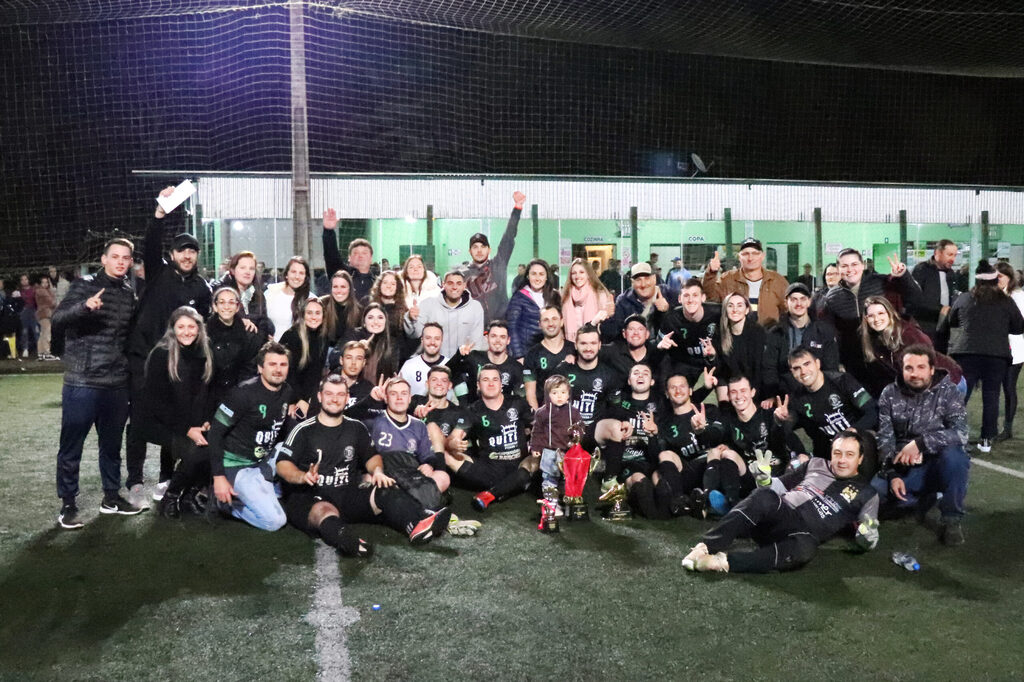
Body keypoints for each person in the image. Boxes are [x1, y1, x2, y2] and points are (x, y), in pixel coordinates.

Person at [276, 375, 451, 557]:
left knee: (386, 488)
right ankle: (345, 539)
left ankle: (416, 525)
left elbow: (372, 456)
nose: (335, 399)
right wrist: (301, 476)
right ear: (320, 397)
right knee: (325, 511)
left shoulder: (356, 428)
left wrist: (377, 471)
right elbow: (282, 464)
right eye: (329, 394)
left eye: (340, 394)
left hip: (346, 494)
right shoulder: (304, 430)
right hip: (310, 496)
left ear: (346, 398)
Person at [682, 430, 879, 573]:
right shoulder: (815, 463)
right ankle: (705, 546)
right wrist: (764, 479)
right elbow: (778, 487)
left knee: (806, 549)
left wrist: (866, 535)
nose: (842, 460)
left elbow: (869, 537)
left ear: (860, 459)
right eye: (837, 453)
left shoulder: (868, 493)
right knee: (764, 496)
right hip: (779, 514)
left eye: (849, 455)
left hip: (803, 534)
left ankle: (722, 562)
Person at [53, 237, 142, 529]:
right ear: (103, 259)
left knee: (112, 445)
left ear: (130, 262)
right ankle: (68, 505)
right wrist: (84, 307)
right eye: (115, 256)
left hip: (116, 382)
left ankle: (111, 497)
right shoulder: (84, 285)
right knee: (72, 445)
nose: (120, 262)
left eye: (125, 258)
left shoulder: (129, 293)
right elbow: (59, 318)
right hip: (83, 380)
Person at [871, 344, 969, 546]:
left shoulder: (949, 391)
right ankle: (925, 498)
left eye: (921, 367)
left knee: (956, 458)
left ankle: (951, 519)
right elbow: (885, 437)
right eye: (909, 368)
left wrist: (921, 444)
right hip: (904, 465)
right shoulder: (889, 393)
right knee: (875, 497)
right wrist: (892, 474)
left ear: (932, 369)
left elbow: (961, 432)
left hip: (937, 463)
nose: (915, 374)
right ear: (902, 369)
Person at [208, 342, 294, 531]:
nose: (278, 370)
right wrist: (219, 477)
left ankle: (265, 487)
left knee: (296, 445)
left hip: (263, 459)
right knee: (275, 522)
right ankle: (225, 504)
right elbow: (215, 433)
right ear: (260, 367)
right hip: (237, 466)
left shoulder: (287, 391)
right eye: (272, 364)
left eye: (283, 365)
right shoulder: (242, 394)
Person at [139, 307, 214, 518]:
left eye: (192, 327)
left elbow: (208, 392)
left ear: (199, 329)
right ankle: (171, 496)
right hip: (164, 423)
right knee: (196, 450)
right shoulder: (161, 354)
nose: (187, 332)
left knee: (214, 443)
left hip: (195, 422)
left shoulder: (205, 351)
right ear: (172, 329)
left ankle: (189, 495)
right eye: (181, 327)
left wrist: (207, 421)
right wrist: (187, 429)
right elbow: (155, 402)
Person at [948, 260, 1024, 452]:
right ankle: (986, 439)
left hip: (966, 354)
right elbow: (1019, 327)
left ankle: (956, 437)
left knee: (960, 397)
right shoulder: (1005, 301)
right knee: (991, 397)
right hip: (996, 356)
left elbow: (952, 320)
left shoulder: (965, 298)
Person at [695, 374, 792, 514]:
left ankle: (724, 503)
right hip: (749, 477)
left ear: (752, 392)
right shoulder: (729, 419)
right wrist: (701, 431)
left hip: (774, 479)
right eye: (733, 392)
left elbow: (786, 444)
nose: (739, 396)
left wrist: (779, 424)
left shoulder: (770, 415)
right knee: (724, 453)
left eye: (743, 391)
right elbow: (715, 434)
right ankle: (733, 505)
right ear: (728, 396)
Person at [550, 324, 630, 491]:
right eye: (584, 343)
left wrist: (624, 422)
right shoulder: (563, 370)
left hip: (593, 430)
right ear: (576, 345)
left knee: (617, 427)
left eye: (593, 343)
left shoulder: (609, 374)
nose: (588, 348)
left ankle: (609, 480)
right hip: (567, 431)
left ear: (600, 345)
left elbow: (616, 408)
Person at [775, 347, 878, 471]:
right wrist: (781, 420)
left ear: (817, 363)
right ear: (792, 372)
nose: (803, 371)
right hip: (831, 453)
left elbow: (873, 412)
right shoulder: (797, 399)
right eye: (797, 368)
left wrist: (853, 430)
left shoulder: (842, 381)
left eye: (807, 364)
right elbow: (793, 432)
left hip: (861, 439)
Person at [446, 366, 534, 510]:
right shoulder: (473, 410)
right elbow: (453, 437)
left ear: (501, 384)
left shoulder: (517, 403)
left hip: (519, 465)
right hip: (489, 469)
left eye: (495, 379)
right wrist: (454, 444)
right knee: (446, 455)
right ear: (478, 385)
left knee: (536, 461)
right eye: (485, 380)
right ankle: (509, 487)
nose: (491, 384)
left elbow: (538, 424)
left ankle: (490, 494)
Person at [821, 248, 922, 370]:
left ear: (863, 265)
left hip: (889, 356)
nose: (850, 270)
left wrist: (903, 276)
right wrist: (837, 361)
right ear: (838, 268)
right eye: (844, 266)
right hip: (854, 362)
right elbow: (832, 333)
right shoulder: (832, 297)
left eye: (854, 264)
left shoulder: (882, 282)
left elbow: (915, 299)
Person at [853, 295, 962, 400]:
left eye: (881, 313)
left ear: (890, 314)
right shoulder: (873, 340)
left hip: (946, 382)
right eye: (871, 316)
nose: (876, 319)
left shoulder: (908, 333)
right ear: (866, 319)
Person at [370, 377, 450, 507]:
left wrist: (428, 465)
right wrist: (371, 399)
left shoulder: (418, 425)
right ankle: (425, 504)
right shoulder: (374, 419)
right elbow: (349, 415)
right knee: (369, 481)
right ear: (386, 398)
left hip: (410, 473)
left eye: (403, 394)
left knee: (442, 477)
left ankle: (410, 503)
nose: (399, 398)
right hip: (385, 472)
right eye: (393, 394)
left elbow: (427, 456)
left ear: (409, 399)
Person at [762, 282, 839, 399]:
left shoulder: (824, 331)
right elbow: (770, 368)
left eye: (803, 299)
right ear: (786, 303)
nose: (799, 304)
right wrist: (773, 395)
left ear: (809, 302)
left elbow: (831, 367)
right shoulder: (776, 332)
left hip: (818, 392)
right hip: (786, 393)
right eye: (793, 299)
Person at [464, 191, 526, 320]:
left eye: (483, 247)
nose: (479, 250)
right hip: (475, 329)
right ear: (470, 251)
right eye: (475, 247)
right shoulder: (463, 274)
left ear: (489, 250)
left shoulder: (499, 264)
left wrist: (517, 208)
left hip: (500, 326)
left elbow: (509, 236)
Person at [701, 238, 789, 326]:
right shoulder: (727, 279)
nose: (750, 258)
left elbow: (787, 309)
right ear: (739, 257)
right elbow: (710, 297)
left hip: (769, 336)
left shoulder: (777, 280)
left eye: (755, 253)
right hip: (736, 336)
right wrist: (711, 273)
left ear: (762, 256)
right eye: (746, 254)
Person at [529, 375, 584, 506]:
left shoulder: (574, 412)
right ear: (548, 395)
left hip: (568, 452)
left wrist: (577, 436)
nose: (559, 396)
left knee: (568, 478)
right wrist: (535, 447)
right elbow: (537, 431)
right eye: (555, 393)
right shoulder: (542, 412)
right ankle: (551, 503)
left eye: (563, 392)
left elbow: (581, 428)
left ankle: (568, 500)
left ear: (568, 394)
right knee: (549, 478)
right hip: (550, 451)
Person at [404, 269, 485, 359]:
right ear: (443, 284)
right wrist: (411, 319)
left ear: (464, 286)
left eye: (458, 283)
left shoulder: (475, 307)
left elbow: (476, 342)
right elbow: (414, 334)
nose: (454, 287)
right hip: (432, 364)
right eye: (450, 283)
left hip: (462, 364)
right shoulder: (428, 304)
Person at [206, 287, 263, 411]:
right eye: (221, 302)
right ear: (214, 306)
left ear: (237, 307)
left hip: (238, 396)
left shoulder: (248, 334)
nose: (226, 307)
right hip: (210, 397)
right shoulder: (204, 334)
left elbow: (249, 370)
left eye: (231, 302)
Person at [659, 278, 720, 385]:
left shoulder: (718, 313)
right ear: (679, 299)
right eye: (686, 296)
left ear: (703, 298)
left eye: (695, 295)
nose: (690, 300)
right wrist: (660, 345)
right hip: (685, 365)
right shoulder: (671, 318)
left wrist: (715, 354)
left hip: (714, 363)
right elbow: (658, 346)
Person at [448, 320, 523, 403]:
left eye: (502, 337)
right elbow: (446, 372)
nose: (498, 340)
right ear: (487, 338)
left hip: (500, 414)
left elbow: (520, 398)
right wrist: (459, 355)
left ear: (508, 340)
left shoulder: (516, 367)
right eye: (494, 336)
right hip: (472, 412)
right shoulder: (473, 357)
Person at [279, 298, 330, 418]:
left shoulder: (323, 338)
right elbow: (287, 374)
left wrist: (308, 400)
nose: (314, 317)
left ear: (323, 316)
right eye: (309, 313)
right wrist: (296, 400)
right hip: (287, 393)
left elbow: (315, 374)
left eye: (318, 313)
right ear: (303, 315)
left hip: (307, 397)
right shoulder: (291, 336)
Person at [712, 292, 768, 402]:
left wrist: (752, 394)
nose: (735, 309)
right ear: (725, 310)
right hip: (732, 387)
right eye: (730, 305)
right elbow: (721, 371)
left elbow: (759, 369)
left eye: (739, 305)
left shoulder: (757, 332)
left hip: (755, 388)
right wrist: (712, 356)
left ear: (747, 310)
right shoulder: (720, 334)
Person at [506, 258, 561, 360]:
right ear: (527, 276)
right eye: (533, 274)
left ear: (547, 277)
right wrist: (519, 355)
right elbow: (512, 328)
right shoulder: (518, 297)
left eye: (541, 274)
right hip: (527, 353)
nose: (537, 278)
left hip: (551, 353)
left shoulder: (555, 296)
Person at [210, 251, 273, 339]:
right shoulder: (220, 292)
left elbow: (264, 323)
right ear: (232, 270)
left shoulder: (258, 294)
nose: (247, 272)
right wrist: (238, 322)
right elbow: (212, 321)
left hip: (253, 345)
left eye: (251, 268)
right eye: (242, 268)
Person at [522, 306, 575, 410]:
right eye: (546, 320)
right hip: (546, 414)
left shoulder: (574, 349)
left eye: (554, 319)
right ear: (540, 324)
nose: (550, 324)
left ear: (561, 322)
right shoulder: (532, 354)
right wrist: (538, 420)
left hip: (573, 412)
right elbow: (530, 393)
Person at [911, 239, 959, 353]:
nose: (953, 259)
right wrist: (940, 309)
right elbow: (915, 299)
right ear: (937, 253)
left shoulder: (951, 274)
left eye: (955, 255)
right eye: (949, 254)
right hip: (925, 326)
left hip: (945, 327)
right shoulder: (921, 270)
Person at [603, 262, 671, 341]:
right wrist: (609, 317)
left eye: (647, 278)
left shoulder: (669, 294)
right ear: (632, 282)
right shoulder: (623, 301)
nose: (643, 284)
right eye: (638, 280)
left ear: (654, 279)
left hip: (664, 349)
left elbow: (678, 328)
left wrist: (667, 311)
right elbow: (613, 336)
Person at [322, 208, 376, 303]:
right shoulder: (341, 274)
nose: (360, 256)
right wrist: (328, 231)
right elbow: (331, 255)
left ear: (371, 259)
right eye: (355, 253)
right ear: (349, 258)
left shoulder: (377, 283)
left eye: (364, 253)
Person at [996, 262, 1024, 440]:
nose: (996, 280)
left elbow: (1019, 323)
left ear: (1009, 277)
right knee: (994, 389)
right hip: (997, 348)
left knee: (1008, 387)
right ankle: (994, 427)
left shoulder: (1018, 296)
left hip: (1014, 350)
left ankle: (1007, 428)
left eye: (1000, 276)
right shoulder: (996, 295)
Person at [339, 303, 401, 383]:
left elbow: (392, 373)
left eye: (380, 318)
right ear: (364, 321)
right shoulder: (353, 334)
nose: (376, 322)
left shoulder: (392, 343)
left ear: (385, 321)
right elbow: (334, 359)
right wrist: (357, 347)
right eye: (371, 318)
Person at [561, 258, 615, 343]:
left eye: (581, 272)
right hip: (571, 345)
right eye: (574, 273)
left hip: (594, 344)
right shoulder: (565, 296)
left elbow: (607, 325)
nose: (577, 276)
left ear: (588, 274)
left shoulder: (600, 294)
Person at [264, 256, 312, 342]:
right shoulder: (270, 293)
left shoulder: (311, 299)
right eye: (293, 272)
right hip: (271, 350)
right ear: (286, 274)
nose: (297, 276)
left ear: (305, 277)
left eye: (301, 273)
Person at [399, 322, 451, 397]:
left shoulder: (451, 365)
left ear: (441, 341)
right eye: (428, 338)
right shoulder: (409, 365)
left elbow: (461, 392)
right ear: (422, 340)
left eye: (437, 338)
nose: (432, 342)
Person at [366, 270, 410, 354]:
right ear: (379, 285)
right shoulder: (368, 305)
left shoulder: (403, 311)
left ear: (398, 287)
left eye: (393, 284)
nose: (388, 286)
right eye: (385, 282)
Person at [320, 269, 362, 345]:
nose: (339, 291)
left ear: (350, 289)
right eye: (335, 286)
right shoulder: (322, 305)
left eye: (343, 287)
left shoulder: (359, 311)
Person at [34, 274, 58, 360]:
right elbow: (52, 302)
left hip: (42, 314)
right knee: (47, 333)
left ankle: (41, 353)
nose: (45, 284)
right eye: (43, 282)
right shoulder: (42, 291)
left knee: (42, 334)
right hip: (45, 313)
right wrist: (52, 291)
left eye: (46, 282)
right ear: (40, 283)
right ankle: (47, 353)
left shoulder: (40, 290)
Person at [16, 273, 38, 358]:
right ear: (21, 281)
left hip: (33, 311)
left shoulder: (34, 290)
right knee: (24, 331)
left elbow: (37, 302)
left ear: (28, 280)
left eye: (26, 279)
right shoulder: (19, 292)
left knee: (36, 331)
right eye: (22, 279)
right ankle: (25, 348)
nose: (24, 281)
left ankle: (40, 349)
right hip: (23, 312)